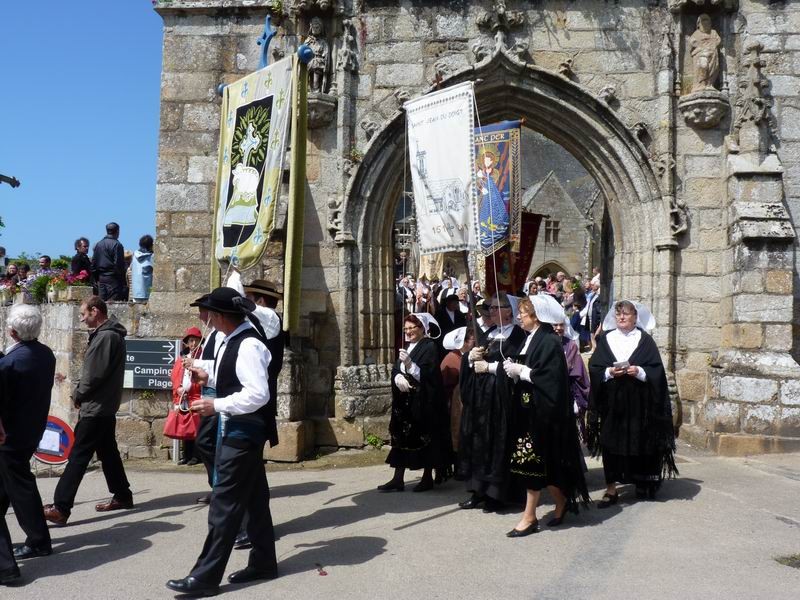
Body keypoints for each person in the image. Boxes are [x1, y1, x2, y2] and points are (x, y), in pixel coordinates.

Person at [167, 287, 277, 596]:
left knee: (224, 505)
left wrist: (217, 405)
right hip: (241, 431)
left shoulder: (249, 344)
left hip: (243, 432)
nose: (208, 320)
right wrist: (207, 375)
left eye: (210, 314)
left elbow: (258, 393)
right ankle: (264, 561)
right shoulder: (235, 340)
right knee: (255, 502)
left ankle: (205, 576)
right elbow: (233, 374)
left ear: (220, 316)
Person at [502, 295, 589, 537]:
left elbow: (552, 379)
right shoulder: (530, 339)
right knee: (542, 465)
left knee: (535, 463)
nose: (519, 316)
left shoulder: (549, 340)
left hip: (544, 412)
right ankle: (561, 501)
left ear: (536, 316)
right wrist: (514, 371)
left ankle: (529, 517)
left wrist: (525, 372)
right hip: (527, 408)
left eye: (523, 313)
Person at [43, 296, 133, 526]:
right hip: (103, 406)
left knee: (78, 456)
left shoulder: (106, 336)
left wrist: (78, 394)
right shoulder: (109, 335)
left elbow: (93, 375)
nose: (82, 319)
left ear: (95, 311)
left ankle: (61, 507)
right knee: (108, 452)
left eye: (83, 314)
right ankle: (123, 495)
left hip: (96, 407)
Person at [587, 300, 678, 507]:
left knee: (641, 441)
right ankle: (611, 489)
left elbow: (656, 371)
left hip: (639, 403)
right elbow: (595, 367)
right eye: (618, 314)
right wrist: (610, 372)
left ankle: (642, 482)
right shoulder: (607, 339)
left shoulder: (645, 341)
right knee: (611, 443)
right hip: (614, 403)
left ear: (635, 317)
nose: (621, 317)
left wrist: (640, 372)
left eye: (626, 314)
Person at [457, 292, 527, 513]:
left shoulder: (517, 335)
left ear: (510, 311)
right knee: (479, 442)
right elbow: (475, 359)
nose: (492, 312)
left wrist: (488, 367)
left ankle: (496, 495)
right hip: (481, 399)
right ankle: (478, 491)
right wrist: (470, 358)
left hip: (500, 399)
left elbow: (517, 366)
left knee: (497, 443)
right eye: (491, 308)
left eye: (497, 308)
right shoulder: (488, 333)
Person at [0, 306, 56, 572]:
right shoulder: (46, 354)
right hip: (32, 427)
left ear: (12, 332)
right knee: (8, 480)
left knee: (20, 484)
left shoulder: (10, 362)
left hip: (10, 434)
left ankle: (38, 540)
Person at [379, 313, 452, 492]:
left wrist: (411, 365)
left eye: (412, 328)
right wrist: (397, 377)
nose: (408, 332)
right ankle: (398, 478)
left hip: (422, 402)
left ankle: (427, 477)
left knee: (425, 439)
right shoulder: (408, 346)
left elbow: (429, 376)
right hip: (404, 402)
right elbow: (397, 368)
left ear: (422, 329)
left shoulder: (429, 346)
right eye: (406, 328)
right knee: (400, 438)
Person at [165, 327, 203, 465]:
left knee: (196, 428)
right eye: (191, 341)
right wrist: (179, 389)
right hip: (184, 397)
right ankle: (186, 455)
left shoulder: (203, 358)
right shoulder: (182, 359)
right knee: (185, 428)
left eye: (196, 340)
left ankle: (196, 456)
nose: (193, 344)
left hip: (196, 397)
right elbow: (175, 376)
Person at [553, 317, 591, 443]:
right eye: (555, 325)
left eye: (561, 325)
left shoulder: (570, 346)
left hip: (567, 395)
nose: (558, 328)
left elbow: (578, 374)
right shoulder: (543, 344)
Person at [440, 326, 475, 457]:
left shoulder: (465, 357)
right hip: (455, 405)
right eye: (472, 338)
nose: (475, 341)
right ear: (464, 341)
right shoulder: (452, 358)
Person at [91, 222, 127, 301]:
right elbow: (119, 265)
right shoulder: (117, 245)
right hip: (113, 279)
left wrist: (96, 279)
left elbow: (93, 264)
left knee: (102, 305)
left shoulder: (98, 244)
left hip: (101, 279)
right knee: (113, 304)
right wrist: (123, 282)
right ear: (117, 231)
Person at [131, 234, 154, 302]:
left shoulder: (134, 256)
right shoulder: (151, 257)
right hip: (148, 292)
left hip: (136, 292)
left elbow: (130, 268)